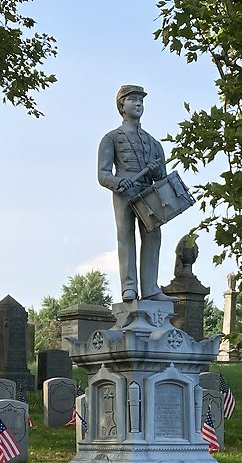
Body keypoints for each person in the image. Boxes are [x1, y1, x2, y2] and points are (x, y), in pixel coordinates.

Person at [97, 85, 175, 302]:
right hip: (124, 191)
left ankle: (150, 288)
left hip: (149, 192)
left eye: (141, 100)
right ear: (122, 105)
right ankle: (129, 287)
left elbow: (163, 178)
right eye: (133, 99)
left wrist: (157, 169)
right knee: (126, 236)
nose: (139, 104)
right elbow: (103, 174)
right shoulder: (111, 138)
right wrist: (118, 181)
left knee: (153, 236)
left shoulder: (154, 143)